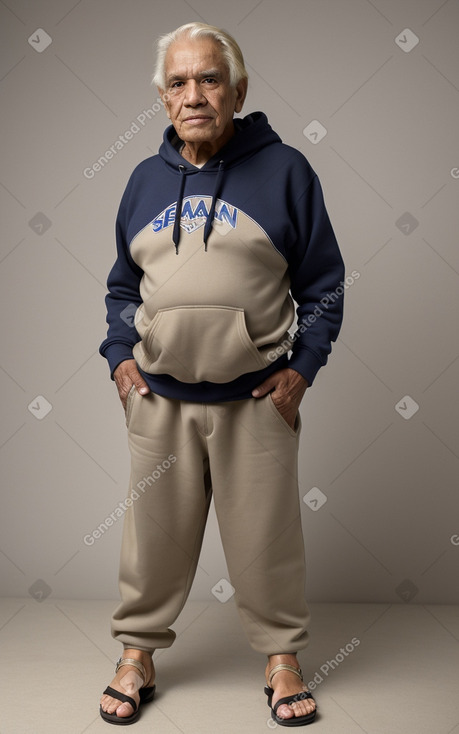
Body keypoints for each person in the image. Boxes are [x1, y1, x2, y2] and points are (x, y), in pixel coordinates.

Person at [99, 21, 344, 727]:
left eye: (209, 78)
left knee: (266, 541)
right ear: (161, 96)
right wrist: (119, 359)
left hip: (254, 398)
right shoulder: (144, 179)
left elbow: (323, 284)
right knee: (151, 542)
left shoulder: (286, 169)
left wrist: (301, 370)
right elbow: (121, 287)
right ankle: (137, 653)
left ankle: (281, 658)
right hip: (158, 399)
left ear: (238, 89)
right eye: (177, 82)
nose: (194, 94)